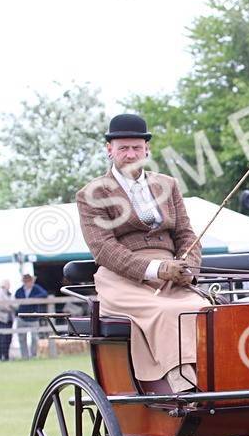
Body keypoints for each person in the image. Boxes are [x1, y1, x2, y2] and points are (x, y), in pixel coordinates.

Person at [76, 113, 206, 393]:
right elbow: (104, 249)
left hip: (173, 276)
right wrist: (155, 269)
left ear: (147, 149)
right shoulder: (92, 194)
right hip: (123, 279)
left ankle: (222, 379)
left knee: (207, 309)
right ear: (109, 150)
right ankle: (183, 387)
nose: (131, 153)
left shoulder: (167, 184)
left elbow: (186, 234)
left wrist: (188, 269)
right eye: (123, 148)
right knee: (167, 311)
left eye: (137, 147)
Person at [14, 273, 49, 359]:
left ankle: (33, 355)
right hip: (22, 318)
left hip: (33, 317)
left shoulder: (36, 288)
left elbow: (44, 294)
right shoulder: (19, 291)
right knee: (22, 338)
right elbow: (17, 299)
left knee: (34, 338)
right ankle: (24, 356)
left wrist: (32, 299)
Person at [0, 279, 14, 361]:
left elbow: (16, 305)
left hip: (9, 320)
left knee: (8, 339)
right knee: (2, 339)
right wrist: (10, 306)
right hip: (1, 320)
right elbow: (1, 306)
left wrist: (8, 305)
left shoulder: (10, 295)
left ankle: (6, 356)